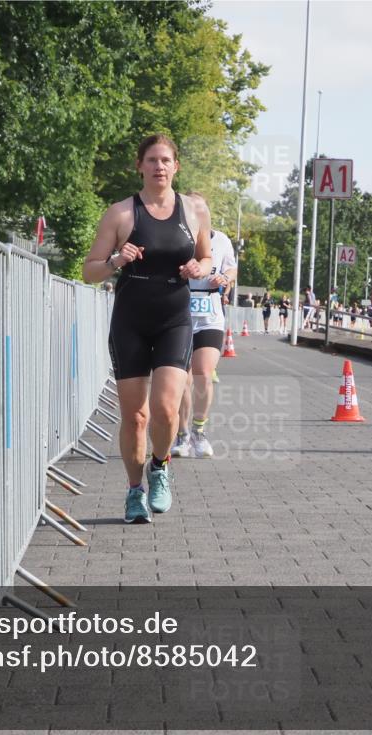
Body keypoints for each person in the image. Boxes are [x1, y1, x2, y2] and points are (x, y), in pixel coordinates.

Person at [82, 134, 212, 523]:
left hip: (174, 317)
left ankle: (161, 466)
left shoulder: (194, 211)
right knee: (136, 416)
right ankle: (134, 490)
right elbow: (90, 270)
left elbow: (206, 259)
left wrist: (198, 269)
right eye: (152, 160)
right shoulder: (121, 213)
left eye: (166, 160)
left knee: (166, 409)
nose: (159, 167)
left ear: (176, 166)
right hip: (131, 321)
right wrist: (117, 260)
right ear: (139, 166)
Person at [172, 196, 238, 460]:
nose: (197, 214)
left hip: (210, 314)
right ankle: (182, 434)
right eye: (192, 209)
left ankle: (199, 432)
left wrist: (225, 278)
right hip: (180, 312)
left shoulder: (221, 240)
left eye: (201, 209)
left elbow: (231, 268)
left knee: (203, 373)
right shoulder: (179, 237)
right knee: (183, 379)